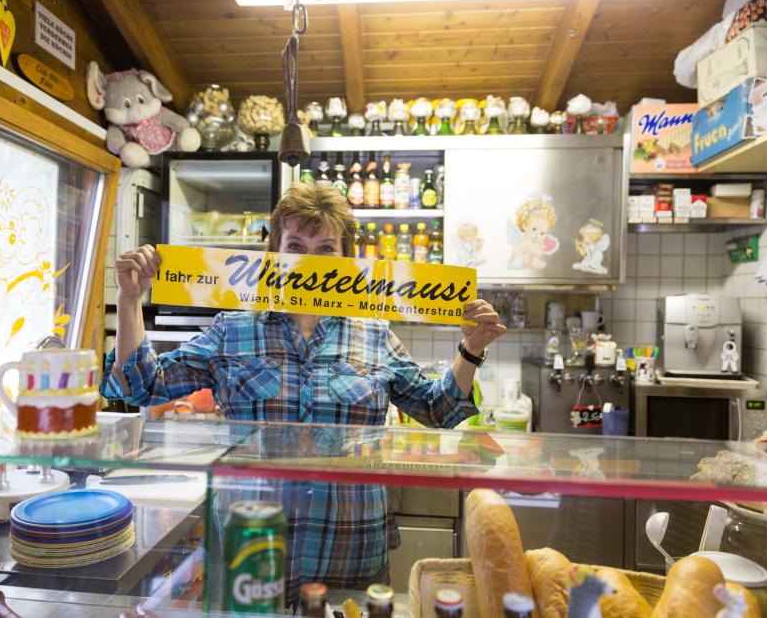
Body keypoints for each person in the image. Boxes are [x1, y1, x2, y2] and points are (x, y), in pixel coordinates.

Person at [102, 182, 506, 603]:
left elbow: (437, 408)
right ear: (275, 250)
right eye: (295, 244)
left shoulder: (374, 334)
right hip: (251, 545)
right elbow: (142, 384)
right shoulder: (234, 329)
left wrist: (472, 348)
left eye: (326, 248)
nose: (310, 261)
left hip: (351, 548)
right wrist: (129, 301)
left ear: (346, 257)